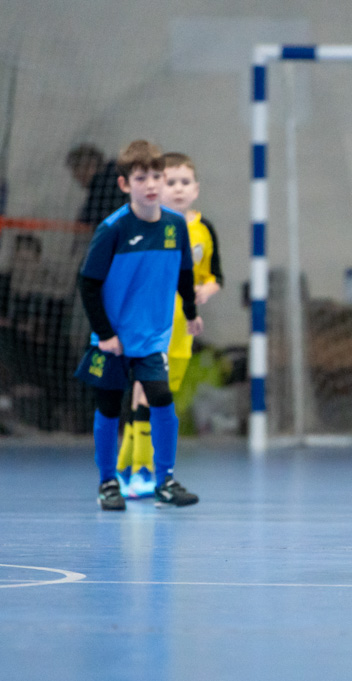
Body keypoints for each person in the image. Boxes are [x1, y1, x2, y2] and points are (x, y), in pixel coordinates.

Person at [73, 139, 202, 511]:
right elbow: (88, 283)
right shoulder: (112, 229)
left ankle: (165, 480)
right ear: (124, 184)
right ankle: (107, 483)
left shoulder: (175, 226)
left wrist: (191, 312)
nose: (151, 184)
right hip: (113, 338)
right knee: (110, 407)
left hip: (151, 338)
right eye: (141, 177)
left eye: (157, 177)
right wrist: (105, 334)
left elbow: (184, 273)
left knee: (161, 399)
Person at [116, 152, 223, 498]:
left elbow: (214, 276)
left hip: (182, 331)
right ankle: (142, 471)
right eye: (170, 181)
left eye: (184, 182)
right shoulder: (147, 226)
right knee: (146, 394)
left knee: (159, 399)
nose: (178, 188)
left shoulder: (203, 230)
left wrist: (205, 291)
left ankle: (125, 468)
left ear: (196, 188)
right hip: (150, 327)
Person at [65, 143, 126, 229]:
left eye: (76, 169)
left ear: (90, 165)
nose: (75, 176)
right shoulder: (106, 182)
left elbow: (89, 220)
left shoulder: (106, 186)